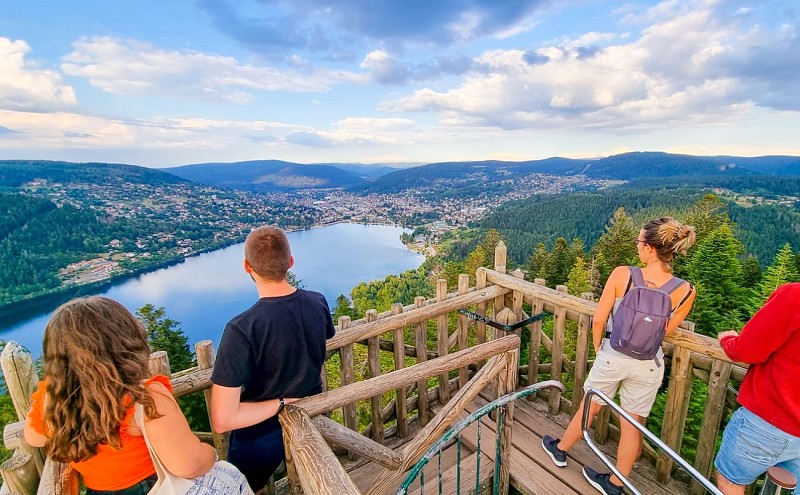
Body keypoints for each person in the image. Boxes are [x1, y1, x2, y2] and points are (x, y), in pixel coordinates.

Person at [541, 217, 697, 495]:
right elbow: (665, 330)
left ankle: (561, 450)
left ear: (650, 248)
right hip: (649, 363)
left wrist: (598, 345)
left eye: (639, 241)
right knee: (633, 424)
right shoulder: (685, 290)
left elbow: (599, 319)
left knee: (590, 407)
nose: (636, 245)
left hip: (614, 353)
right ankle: (616, 483)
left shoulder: (623, 274)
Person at [24, 296, 218, 494]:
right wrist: (211, 453)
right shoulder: (146, 399)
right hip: (156, 487)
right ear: (126, 343)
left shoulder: (56, 400)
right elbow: (189, 465)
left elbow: (33, 438)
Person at [210, 226, 336, 493]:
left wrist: (281, 402)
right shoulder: (317, 302)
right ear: (290, 262)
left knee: (242, 488)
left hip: (259, 436)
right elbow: (322, 337)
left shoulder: (242, 329)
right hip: (313, 413)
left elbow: (223, 419)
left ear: (247, 267)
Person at [714, 283, 800, 494]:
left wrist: (727, 339)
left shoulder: (794, 296)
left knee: (730, 480)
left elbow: (747, 350)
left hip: (769, 419)